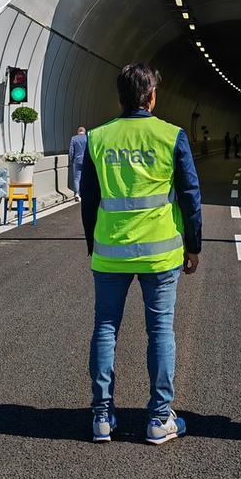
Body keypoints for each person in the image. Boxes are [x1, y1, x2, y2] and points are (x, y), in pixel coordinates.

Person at [79, 63, 202, 444]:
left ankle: (102, 416)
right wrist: (194, 245)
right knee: (160, 330)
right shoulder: (171, 135)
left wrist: (92, 244)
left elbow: (89, 199)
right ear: (151, 97)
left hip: (110, 252)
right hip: (160, 254)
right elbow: (190, 195)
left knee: (105, 327)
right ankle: (159, 418)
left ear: (120, 97)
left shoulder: (98, 138)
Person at [68, 126, 87, 196]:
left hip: (77, 160)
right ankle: (85, 192)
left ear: (78, 131)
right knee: (86, 176)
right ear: (84, 131)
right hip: (86, 161)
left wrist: (71, 159)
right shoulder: (87, 138)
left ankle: (77, 193)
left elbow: (71, 151)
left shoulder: (74, 138)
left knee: (76, 178)